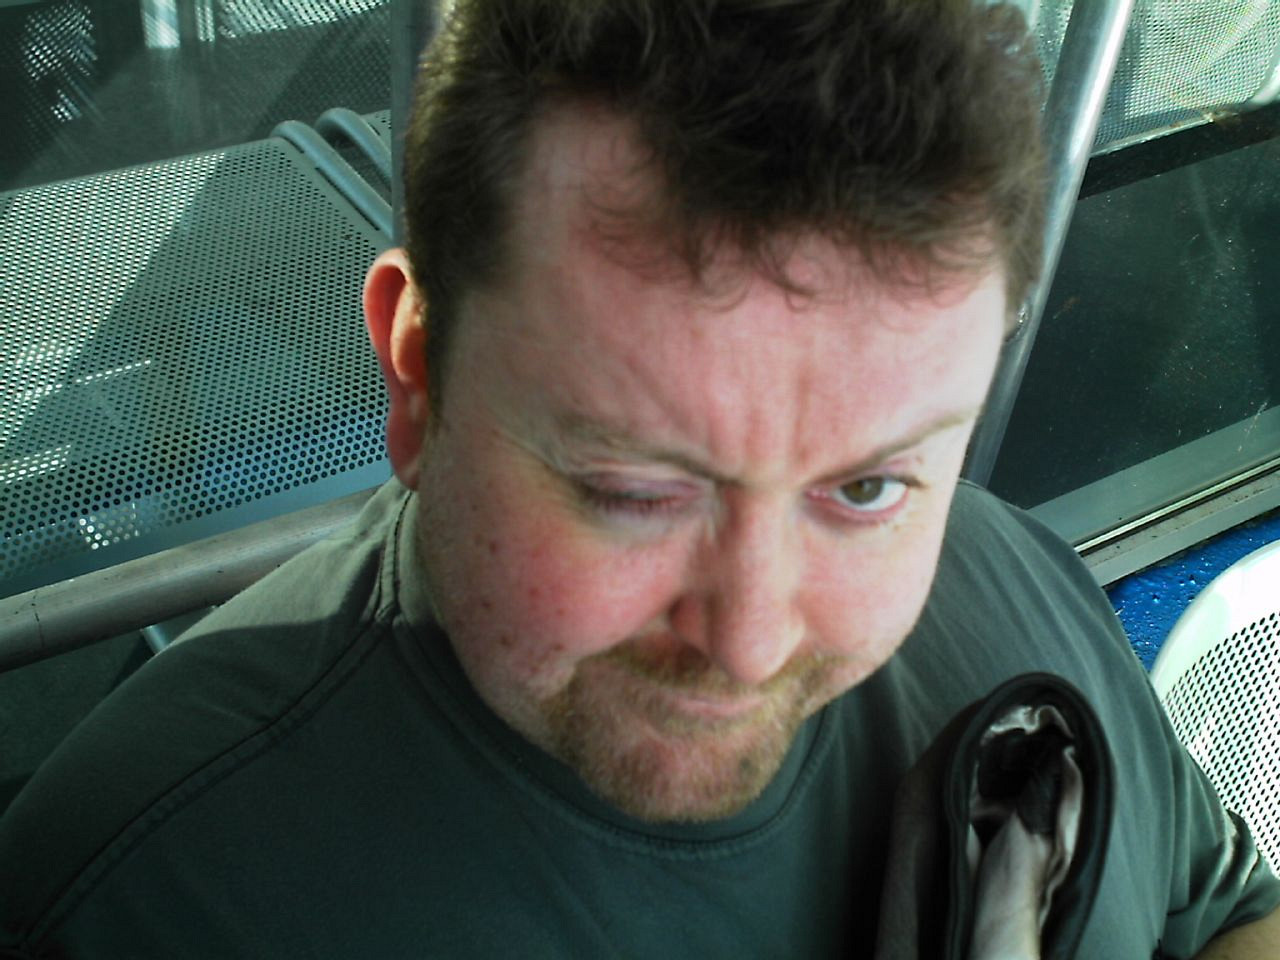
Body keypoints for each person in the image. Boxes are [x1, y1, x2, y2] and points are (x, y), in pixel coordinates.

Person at [2, 0, 1278, 956]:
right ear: (419, 372)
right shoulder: (146, 900)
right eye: (630, 490)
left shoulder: (1013, 580)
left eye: (866, 490)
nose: (751, 642)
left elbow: (1222, 902)